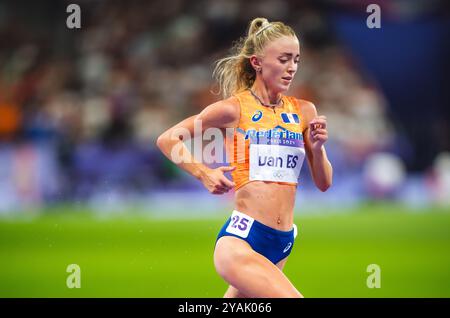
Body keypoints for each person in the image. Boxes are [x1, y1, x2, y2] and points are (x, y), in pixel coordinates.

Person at [156, 17, 332, 298]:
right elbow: (168, 139)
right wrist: (204, 173)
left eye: (296, 60)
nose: (292, 68)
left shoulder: (304, 111)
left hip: (283, 242)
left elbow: (324, 183)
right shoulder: (234, 109)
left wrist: (318, 148)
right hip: (242, 240)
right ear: (257, 62)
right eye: (284, 59)